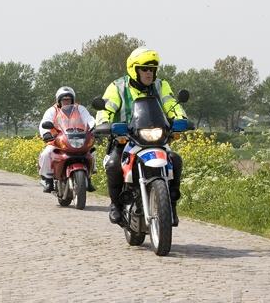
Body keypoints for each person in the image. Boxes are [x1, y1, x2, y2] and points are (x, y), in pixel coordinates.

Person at [96, 47, 186, 226]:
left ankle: (171, 205)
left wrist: (180, 118)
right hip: (127, 137)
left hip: (156, 137)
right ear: (134, 69)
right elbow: (106, 108)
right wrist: (103, 123)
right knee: (113, 164)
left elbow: (170, 103)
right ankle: (116, 205)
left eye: (152, 69)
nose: (149, 73)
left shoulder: (161, 85)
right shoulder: (118, 87)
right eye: (145, 69)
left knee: (175, 160)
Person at [38, 86, 97, 193]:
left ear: (72, 100)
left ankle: (88, 178)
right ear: (59, 101)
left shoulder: (80, 109)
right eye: (64, 100)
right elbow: (45, 122)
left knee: (92, 152)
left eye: (68, 99)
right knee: (46, 154)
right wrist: (46, 134)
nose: (66, 102)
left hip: (79, 139)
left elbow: (89, 119)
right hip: (57, 140)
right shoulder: (53, 110)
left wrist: (94, 128)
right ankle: (48, 180)